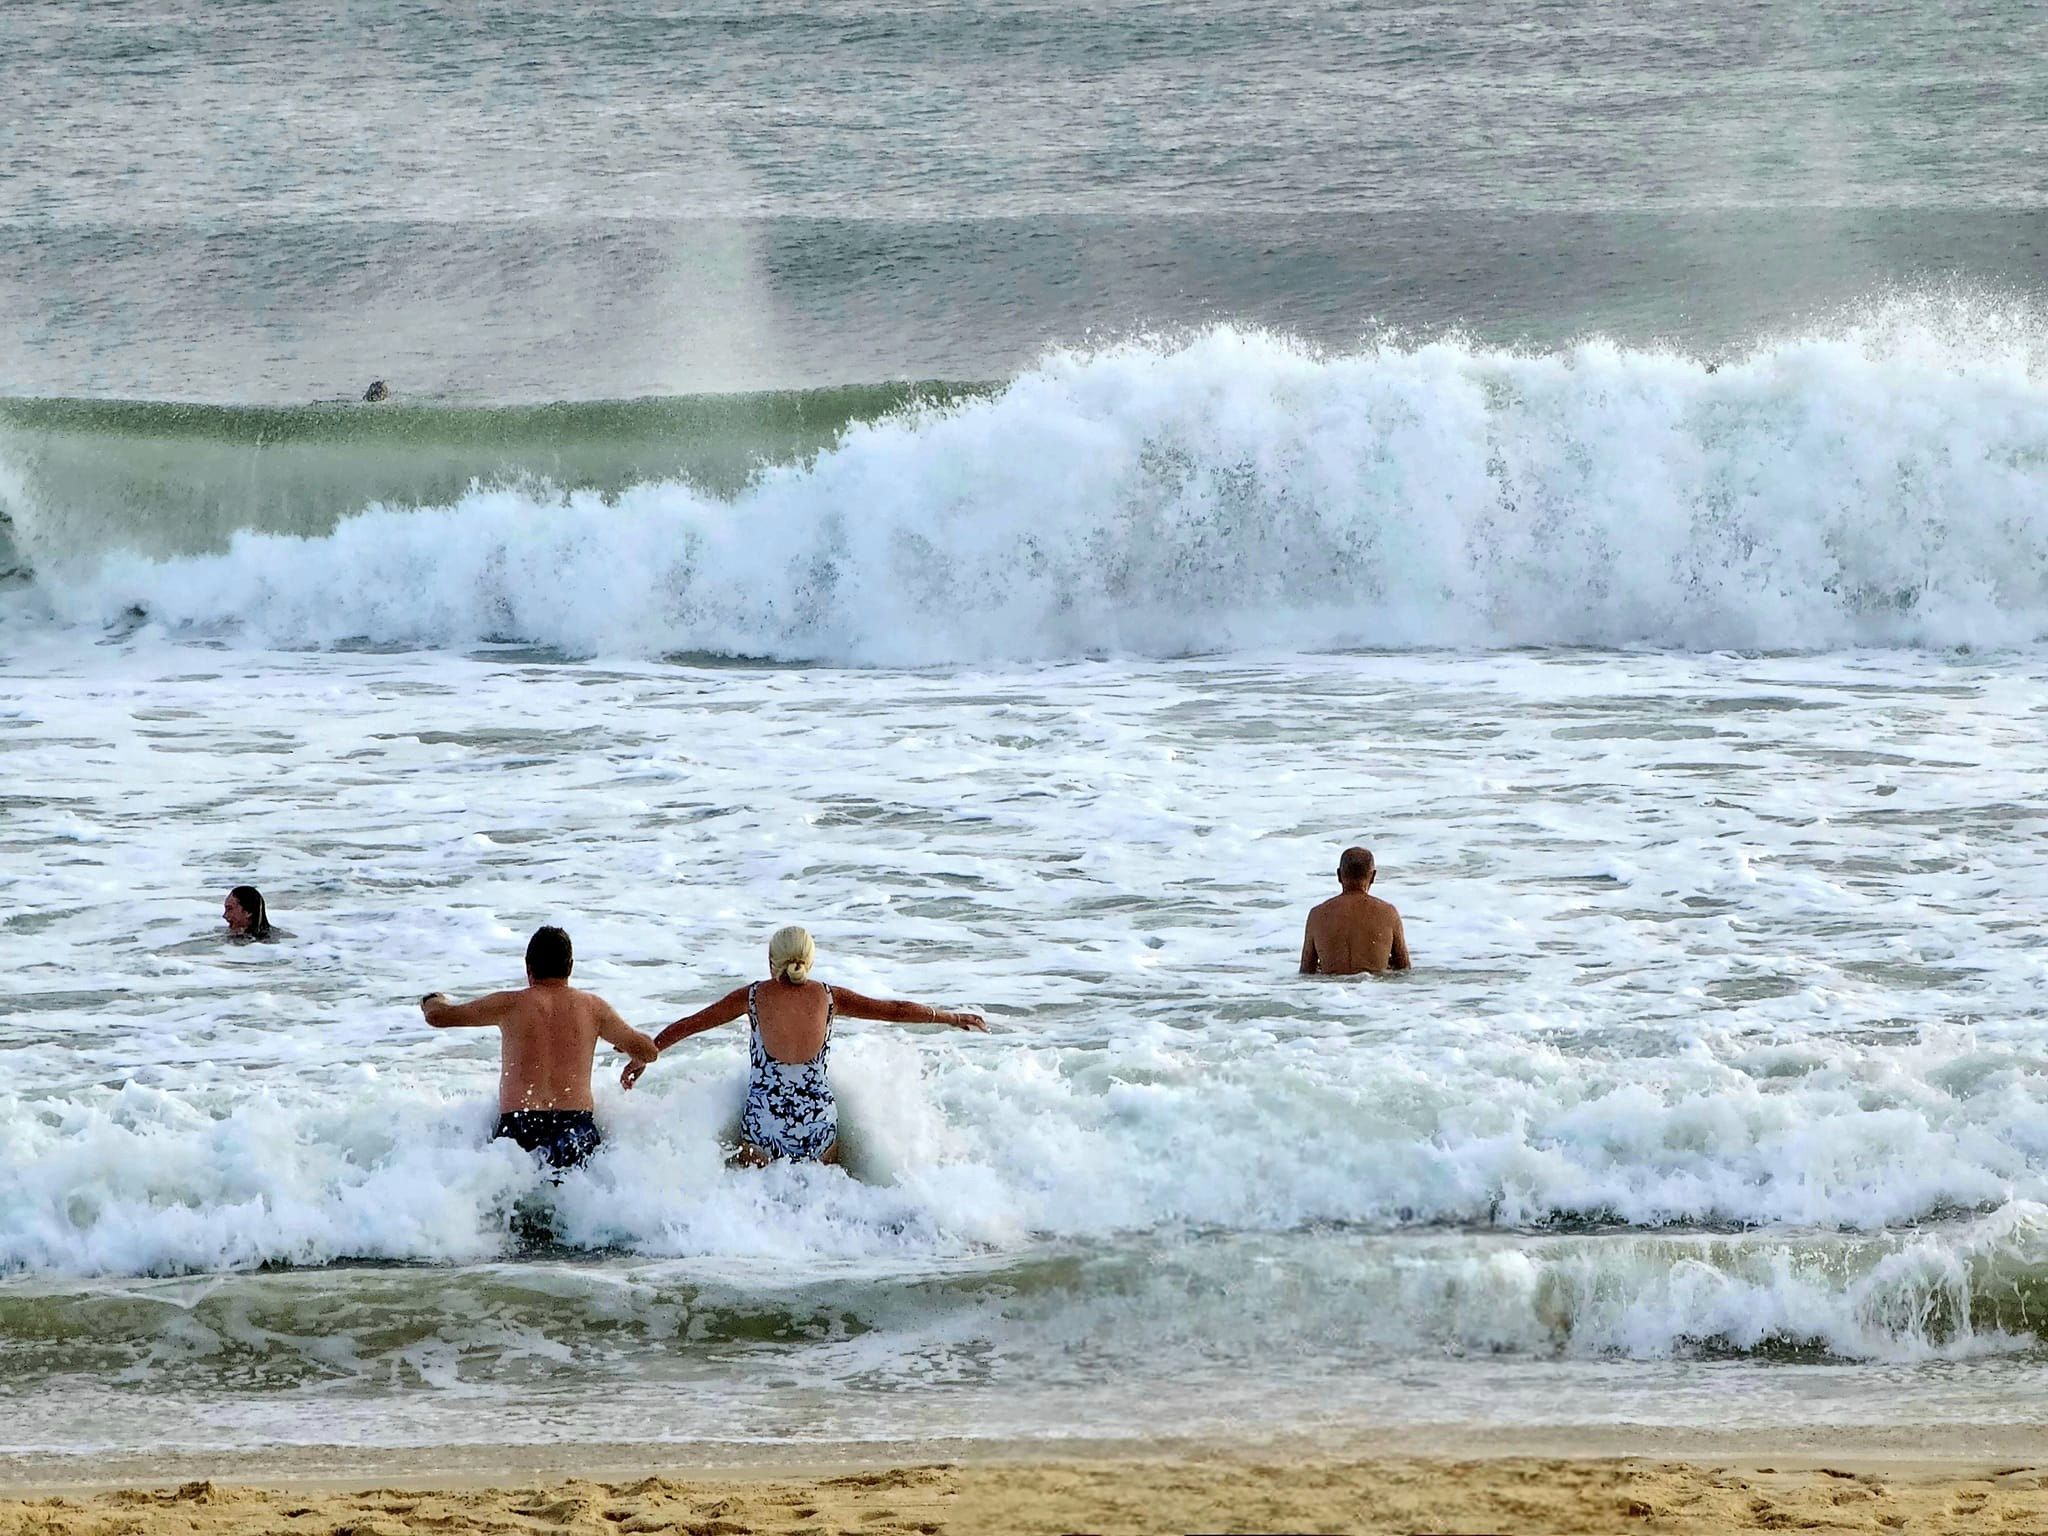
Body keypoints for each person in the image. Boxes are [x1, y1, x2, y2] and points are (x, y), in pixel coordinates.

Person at [622, 925, 986, 1166]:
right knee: (823, 1202)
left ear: (771, 961)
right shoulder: (829, 997)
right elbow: (893, 1010)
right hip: (818, 1121)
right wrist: (949, 1017)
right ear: (808, 961)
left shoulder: (750, 997)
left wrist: (643, 1055)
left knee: (758, 1209)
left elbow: (690, 1025)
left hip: (765, 1121)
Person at [421, 925, 660, 1172]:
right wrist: (636, 1058)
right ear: (570, 966)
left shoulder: (509, 1004)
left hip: (520, 1126)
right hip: (575, 1127)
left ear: (528, 967)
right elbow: (648, 1051)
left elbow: (439, 1017)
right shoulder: (593, 1008)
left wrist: (431, 999)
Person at [1300, 846, 1410, 976]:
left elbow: (1306, 972)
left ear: (1339, 875)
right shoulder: (1388, 913)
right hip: (1373, 992)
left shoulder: (1317, 914)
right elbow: (1404, 969)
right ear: (1373, 876)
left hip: (1332, 993)